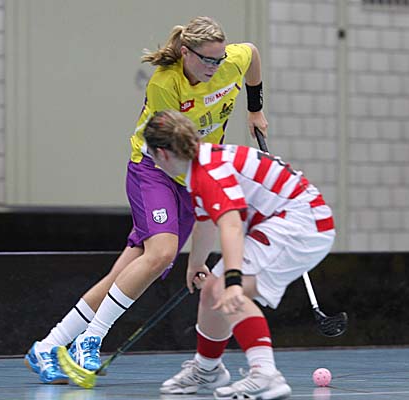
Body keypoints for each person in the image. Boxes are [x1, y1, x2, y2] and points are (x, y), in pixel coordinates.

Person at [24, 16, 268, 384]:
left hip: (193, 173)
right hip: (156, 168)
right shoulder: (165, 85)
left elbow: (252, 55)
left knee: (124, 274)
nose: (215, 67)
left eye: (219, 60)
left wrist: (255, 108)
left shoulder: (232, 60)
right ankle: (91, 339)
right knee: (162, 253)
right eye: (207, 60)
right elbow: (173, 147)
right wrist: (217, 175)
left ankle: (48, 346)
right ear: (185, 53)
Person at [142, 110, 335, 399]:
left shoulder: (209, 172)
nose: (154, 163)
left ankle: (265, 375)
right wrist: (196, 263)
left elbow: (231, 226)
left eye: (151, 155)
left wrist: (233, 282)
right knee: (211, 290)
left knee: (226, 290)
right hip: (286, 221)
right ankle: (207, 369)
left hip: (301, 226)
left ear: (163, 153)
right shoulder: (201, 165)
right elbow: (206, 222)